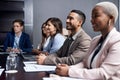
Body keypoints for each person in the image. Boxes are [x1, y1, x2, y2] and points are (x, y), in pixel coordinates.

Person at [55, 2, 120, 80]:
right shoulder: (95, 40)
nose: (91, 20)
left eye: (96, 16)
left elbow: (103, 73)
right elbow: (84, 63)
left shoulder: (117, 41)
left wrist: (69, 71)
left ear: (111, 18)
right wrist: (68, 68)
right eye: (92, 17)